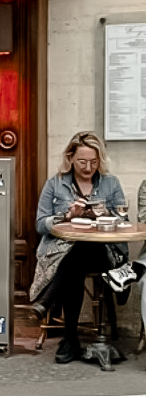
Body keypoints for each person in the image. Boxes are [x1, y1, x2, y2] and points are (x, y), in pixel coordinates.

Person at [32, 130, 126, 364]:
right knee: (74, 262)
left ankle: (64, 331)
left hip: (102, 252)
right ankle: (70, 339)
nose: (88, 167)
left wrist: (107, 215)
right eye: (82, 161)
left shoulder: (111, 183)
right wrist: (66, 216)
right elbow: (40, 224)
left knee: (82, 250)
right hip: (63, 252)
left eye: (94, 162)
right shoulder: (55, 184)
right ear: (71, 158)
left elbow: (124, 221)